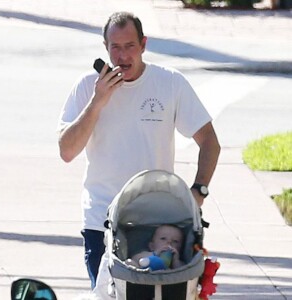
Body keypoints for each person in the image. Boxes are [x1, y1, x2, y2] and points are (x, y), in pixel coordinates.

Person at [57, 11, 220, 288]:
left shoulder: (169, 83)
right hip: (102, 221)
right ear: (106, 49)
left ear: (143, 44)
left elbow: (210, 142)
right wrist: (98, 102)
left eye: (130, 46)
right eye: (115, 48)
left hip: (159, 224)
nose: (122, 57)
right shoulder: (88, 87)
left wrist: (199, 191)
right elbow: (67, 151)